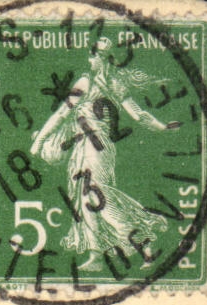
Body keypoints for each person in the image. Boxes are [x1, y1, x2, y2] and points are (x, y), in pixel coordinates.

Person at [29, 38, 182, 272]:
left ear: (100, 58)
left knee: (97, 196)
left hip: (95, 147)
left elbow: (62, 114)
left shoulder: (88, 82)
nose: (92, 60)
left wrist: (39, 142)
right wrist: (161, 126)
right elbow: (139, 115)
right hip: (92, 147)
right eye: (94, 55)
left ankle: (143, 241)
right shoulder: (115, 83)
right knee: (87, 199)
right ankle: (97, 255)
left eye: (95, 56)